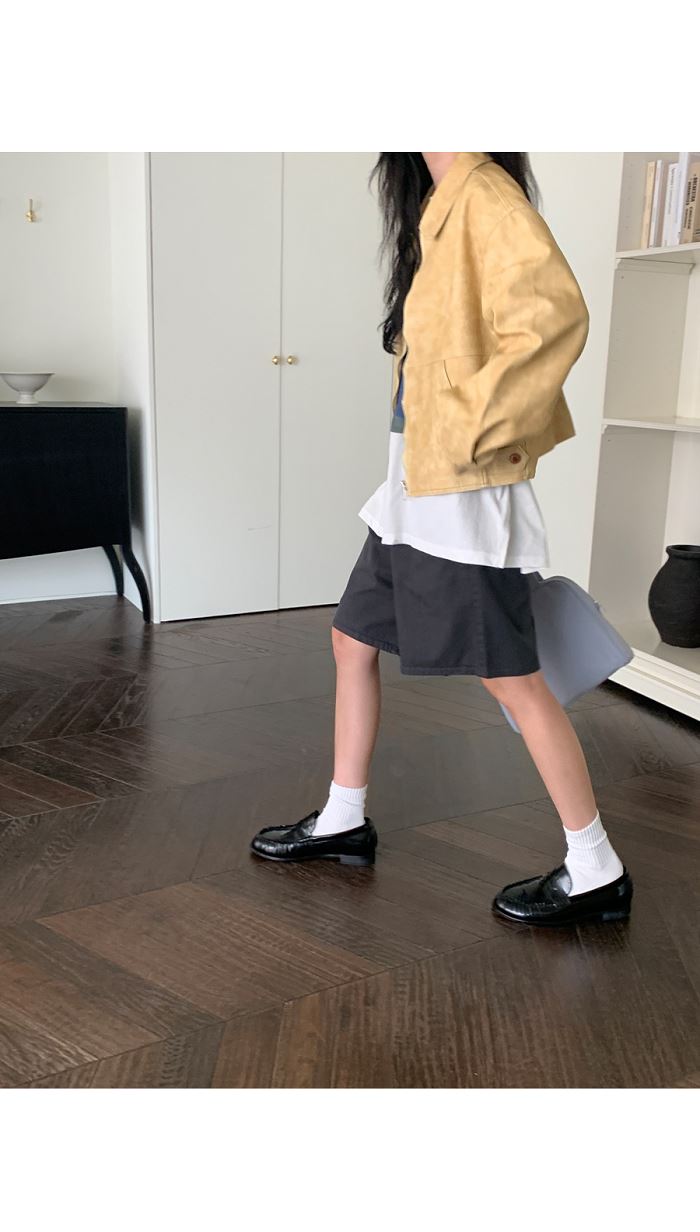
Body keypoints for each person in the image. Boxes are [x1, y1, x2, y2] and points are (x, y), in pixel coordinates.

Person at [250, 152, 633, 928]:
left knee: (511, 680)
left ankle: (597, 867)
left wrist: (468, 430)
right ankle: (344, 818)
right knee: (351, 639)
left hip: (457, 496)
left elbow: (554, 317)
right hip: (411, 486)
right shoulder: (443, 202)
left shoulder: (486, 194)